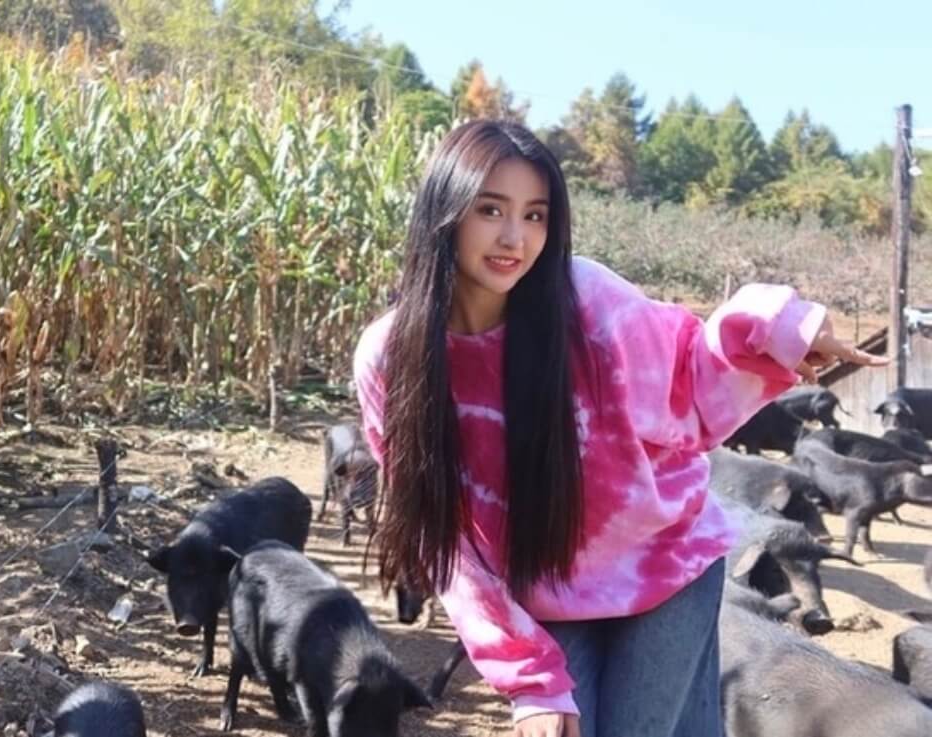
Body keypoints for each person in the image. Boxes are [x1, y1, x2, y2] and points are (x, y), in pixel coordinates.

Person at [351, 119, 886, 737]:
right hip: (546, 583)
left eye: (534, 215)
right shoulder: (392, 358)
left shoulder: (586, 300)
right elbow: (444, 536)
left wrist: (775, 327)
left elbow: (689, 378)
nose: (513, 237)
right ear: (444, 212)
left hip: (666, 561)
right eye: (490, 209)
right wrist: (530, 679)